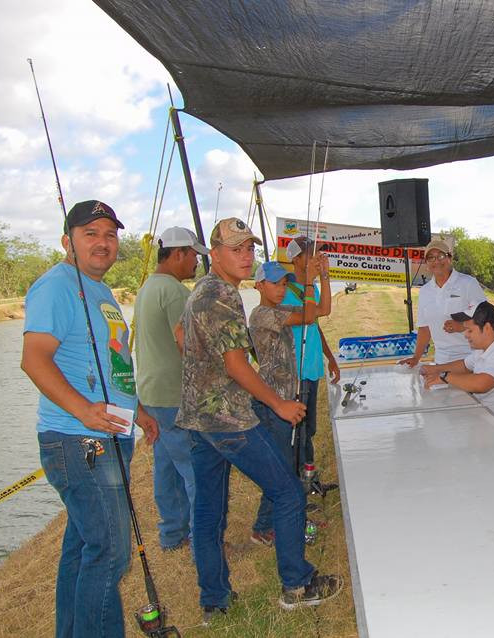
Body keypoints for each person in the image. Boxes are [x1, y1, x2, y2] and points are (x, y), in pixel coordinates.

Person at [176, 218, 340, 621]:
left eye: (249, 248)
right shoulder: (221, 295)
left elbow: (183, 335)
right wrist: (278, 404)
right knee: (287, 492)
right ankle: (297, 584)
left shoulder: (203, 291)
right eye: (236, 249)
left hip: (199, 419)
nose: (246, 256)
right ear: (213, 255)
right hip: (227, 419)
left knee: (209, 513)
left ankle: (214, 600)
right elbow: (236, 363)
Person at [21, 200, 159, 638]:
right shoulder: (56, 287)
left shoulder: (99, 290)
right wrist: (83, 410)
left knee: (82, 547)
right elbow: (34, 360)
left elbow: (110, 361)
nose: (103, 243)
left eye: (110, 234)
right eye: (90, 233)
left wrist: (136, 410)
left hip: (108, 433)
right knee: (111, 552)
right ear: (68, 241)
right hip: (79, 440)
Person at [133, 226, 207, 551]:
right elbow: (188, 345)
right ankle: (201, 543)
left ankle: (173, 535)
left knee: (165, 469)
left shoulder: (148, 287)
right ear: (178, 254)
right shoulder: (175, 292)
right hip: (174, 395)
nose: (195, 263)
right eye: (193, 255)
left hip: (150, 394)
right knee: (195, 470)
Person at [248, 259, 329, 546]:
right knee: (281, 467)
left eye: (284, 284)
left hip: (286, 397)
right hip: (273, 402)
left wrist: (323, 279)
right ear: (259, 285)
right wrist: (308, 282)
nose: (281, 289)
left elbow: (319, 311)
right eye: (275, 284)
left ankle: (291, 516)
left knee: (288, 463)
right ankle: (262, 527)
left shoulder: (279, 310)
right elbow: (308, 316)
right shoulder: (262, 315)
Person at [421, 301, 494, 438]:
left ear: (486, 328)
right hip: (486, 420)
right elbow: (465, 365)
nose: (465, 335)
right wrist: (435, 369)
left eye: (470, 330)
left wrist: (445, 376)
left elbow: (482, 384)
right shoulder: (485, 347)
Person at [280, 236, 339, 482]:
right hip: (296, 372)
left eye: (319, 253)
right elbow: (313, 313)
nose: (318, 258)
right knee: (300, 431)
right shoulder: (285, 290)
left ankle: (308, 475)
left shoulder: (309, 288)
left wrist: (330, 357)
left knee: (309, 428)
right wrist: (314, 279)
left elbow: (319, 317)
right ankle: (300, 480)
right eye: (311, 254)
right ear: (295, 258)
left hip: (312, 368)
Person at [399, 238, 487, 366]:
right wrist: (416, 358)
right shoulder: (425, 291)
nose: (436, 261)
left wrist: (462, 326)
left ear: (449, 259)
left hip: (472, 356)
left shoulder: (468, 283)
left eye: (441, 256)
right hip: (442, 359)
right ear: (427, 264)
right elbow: (424, 329)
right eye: (431, 258)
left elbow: (486, 317)